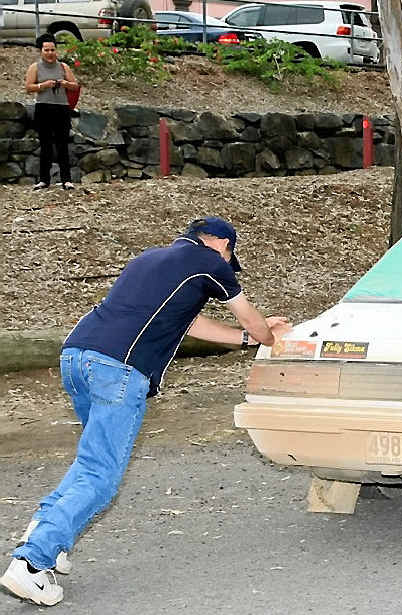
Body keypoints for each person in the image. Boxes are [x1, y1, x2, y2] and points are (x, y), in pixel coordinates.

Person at [0, 217, 293, 606]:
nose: (228, 262)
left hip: (76, 357)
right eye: (229, 256)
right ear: (222, 244)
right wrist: (269, 337)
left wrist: (246, 340)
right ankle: (32, 563)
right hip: (118, 370)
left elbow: (193, 324)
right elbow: (249, 316)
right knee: (101, 475)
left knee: (91, 461)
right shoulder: (212, 262)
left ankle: (46, 536)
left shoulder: (149, 259)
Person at [24, 33, 79, 191]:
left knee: (63, 144)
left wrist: (65, 83)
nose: (50, 53)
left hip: (62, 108)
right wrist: (43, 85)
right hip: (43, 107)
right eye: (46, 50)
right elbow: (28, 87)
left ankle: (66, 180)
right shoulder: (35, 67)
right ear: (41, 51)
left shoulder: (63, 67)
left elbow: (75, 85)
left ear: (56, 50)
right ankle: (43, 180)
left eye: (52, 50)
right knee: (45, 144)